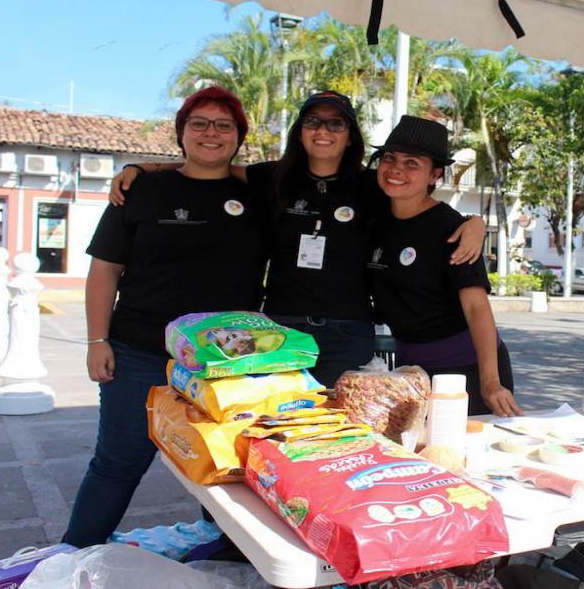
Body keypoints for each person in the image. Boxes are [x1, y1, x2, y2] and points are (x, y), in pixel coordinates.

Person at [110, 91, 485, 387]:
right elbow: (207, 165)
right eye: (313, 122)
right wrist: (140, 167)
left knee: (340, 432)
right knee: (282, 428)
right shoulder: (272, 177)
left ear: (350, 134)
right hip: (281, 329)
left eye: (336, 124)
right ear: (300, 131)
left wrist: (474, 221)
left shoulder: (374, 184)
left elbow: (422, 205)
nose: (323, 131)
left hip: (348, 330)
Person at [63, 86, 268, 547]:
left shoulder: (259, 196)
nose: (210, 133)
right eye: (199, 123)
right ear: (181, 133)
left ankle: (228, 559)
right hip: (139, 352)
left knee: (222, 466)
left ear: (238, 137)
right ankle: (69, 556)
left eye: (223, 125)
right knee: (117, 462)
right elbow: (105, 269)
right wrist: (98, 341)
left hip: (226, 362)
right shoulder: (143, 190)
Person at [368, 116, 522, 417]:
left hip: (465, 369)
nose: (396, 168)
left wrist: (490, 383)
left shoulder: (452, 230)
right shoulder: (377, 219)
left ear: (434, 174)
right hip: (411, 371)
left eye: (412, 163)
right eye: (390, 158)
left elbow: (477, 309)